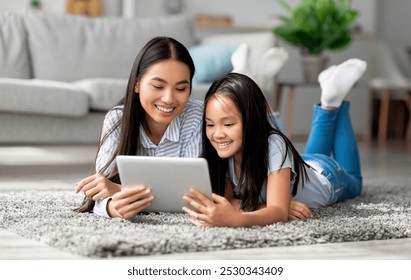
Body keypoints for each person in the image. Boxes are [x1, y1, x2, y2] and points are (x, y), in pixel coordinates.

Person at [182, 59, 367, 227]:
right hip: (299, 166)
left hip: (326, 176)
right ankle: (330, 100)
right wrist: (269, 206)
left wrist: (238, 219)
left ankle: (333, 101)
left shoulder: (274, 145)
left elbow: (277, 212)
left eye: (228, 124)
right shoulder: (224, 152)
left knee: (355, 182)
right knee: (289, 154)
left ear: (251, 121)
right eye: (210, 124)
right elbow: (228, 200)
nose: (217, 134)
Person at [74, 36, 204, 219]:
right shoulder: (117, 120)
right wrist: (113, 207)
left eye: (181, 89)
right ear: (137, 84)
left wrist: (120, 189)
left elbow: (192, 195)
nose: (168, 98)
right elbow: (102, 189)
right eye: (158, 86)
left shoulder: (198, 116)